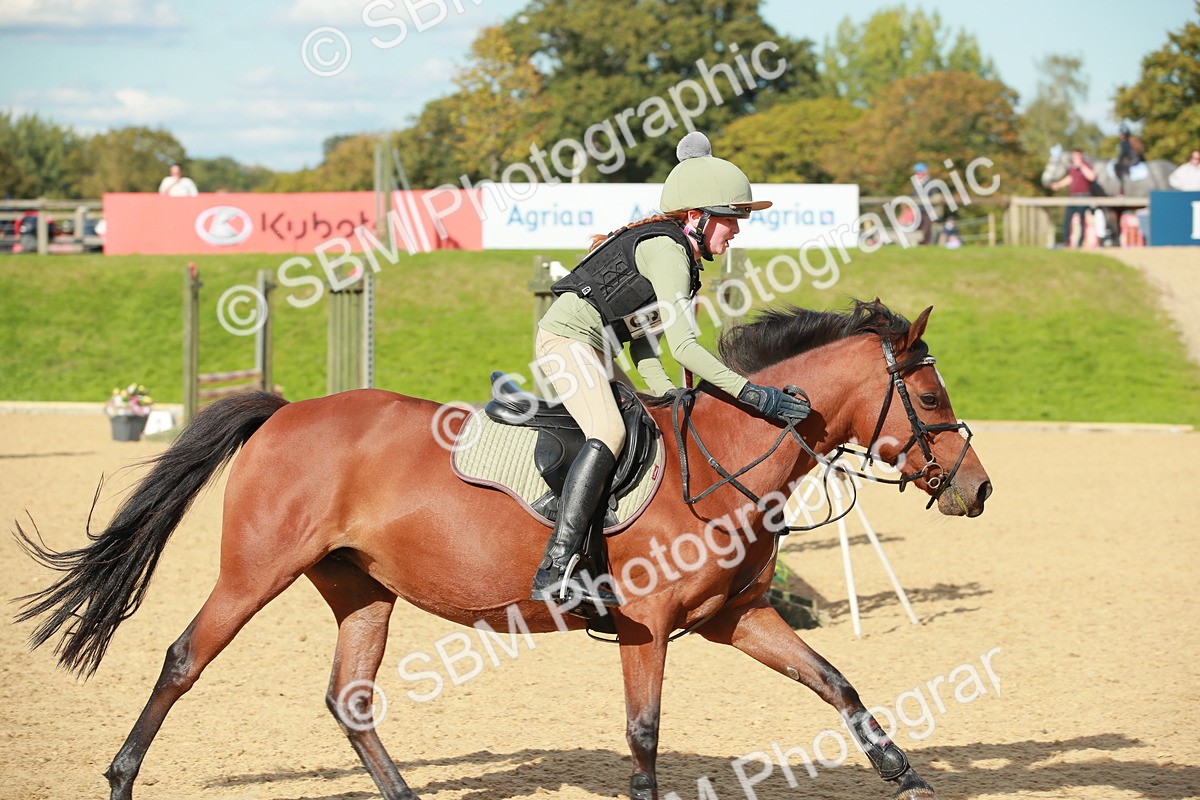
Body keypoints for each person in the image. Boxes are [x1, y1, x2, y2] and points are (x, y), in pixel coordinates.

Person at [529, 131, 811, 606]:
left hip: (600, 348)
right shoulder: (667, 251)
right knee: (610, 432)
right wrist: (753, 395)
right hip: (568, 340)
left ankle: (594, 537)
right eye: (730, 219)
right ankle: (556, 566)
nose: (737, 230)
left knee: (649, 424)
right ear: (696, 217)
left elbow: (644, 345)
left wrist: (669, 397)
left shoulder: (682, 258)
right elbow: (683, 347)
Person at [1050, 149, 1096, 248]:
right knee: (1067, 219)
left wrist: (1081, 166)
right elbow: (1070, 179)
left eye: (1077, 156)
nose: (1075, 158)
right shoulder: (1072, 168)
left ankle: (1080, 242)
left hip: (1084, 196)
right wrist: (1058, 185)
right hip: (1073, 197)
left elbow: (1092, 177)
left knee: (1082, 220)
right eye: (1073, 156)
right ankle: (1066, 241)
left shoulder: (1086, 165)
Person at [910, 162, 941, 245]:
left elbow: (935, 196)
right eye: (917, 172)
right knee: (916, 227)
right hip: (918, 209)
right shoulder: (915, 182)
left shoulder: (932, 182)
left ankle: (926, 244)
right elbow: (913, 195)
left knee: (927, 228)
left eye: (920, 171)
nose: (918, 173)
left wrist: (932, 209)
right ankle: (917, 244)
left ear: (925, 171)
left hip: (928, 210)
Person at [1115, 124, 1145, 192]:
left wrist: (1118, 160)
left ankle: (1122, 187)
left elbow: (1123, 153)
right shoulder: (1131, 141)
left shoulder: (1124, 142)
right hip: (1136, 160)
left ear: (1124, 134)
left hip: (1134, 160)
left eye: (1121, 133)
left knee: (1117, 166)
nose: (1119, 135)